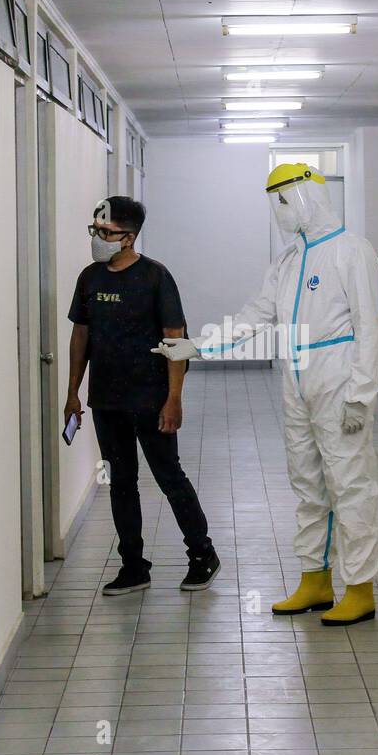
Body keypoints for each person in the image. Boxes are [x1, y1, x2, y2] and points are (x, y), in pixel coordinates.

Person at [152, 164, 378, 626]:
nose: (277, 212)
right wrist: (200, 346)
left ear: (304, 198)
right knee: (306, 482)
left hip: (337, 378)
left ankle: (359, 587)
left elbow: (369, 328)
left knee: (349, 483)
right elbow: (256, 315)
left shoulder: (351, 252)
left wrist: (361, 393)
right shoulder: (289, 261)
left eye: (281, 200)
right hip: (295, 377)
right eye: (272, 201)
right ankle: (314, 579)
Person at [65, 196, 220, 596]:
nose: (98, 238)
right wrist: (73, 392)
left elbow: (176, 342)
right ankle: (133, 565)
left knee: (170, 477)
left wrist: (174, 399)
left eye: (106, 233)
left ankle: (202, 554)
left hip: (151, 400)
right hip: (107, 401)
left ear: (129, 238)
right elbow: (80, 334)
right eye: (95, 230)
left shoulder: (155, 277)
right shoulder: (90, 278)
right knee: (121, 482)